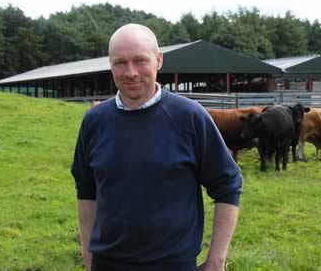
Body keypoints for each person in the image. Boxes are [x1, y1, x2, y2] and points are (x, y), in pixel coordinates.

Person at [71, 23, 243, 271]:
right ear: (110, 65)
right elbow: (86, 191)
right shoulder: (94, 121)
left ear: (158, 60)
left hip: (173, 265)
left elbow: (228, 184)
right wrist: (88, 258)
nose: (131, 72)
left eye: (140, 60)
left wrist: (216, 260)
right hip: (107, 264)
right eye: (120, 62)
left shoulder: (190, 117)